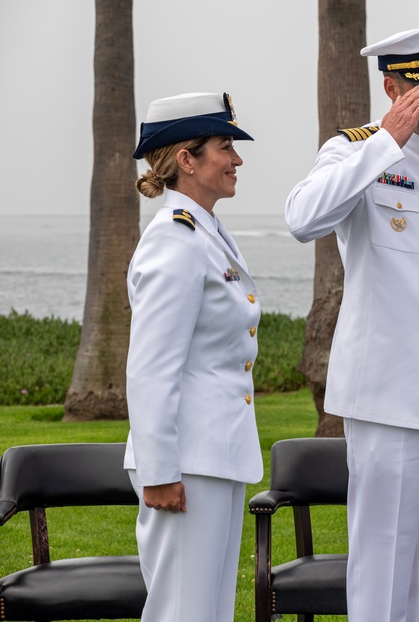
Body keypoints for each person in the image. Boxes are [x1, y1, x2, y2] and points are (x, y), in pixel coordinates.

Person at [284, 23, 419, 621]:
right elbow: (303, 219)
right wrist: (385, 141)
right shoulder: (353, 152)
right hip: (386, 397)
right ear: (392, 87)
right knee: (382, 557)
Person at [124, 92, 261, 621]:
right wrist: (159, 471)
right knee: (182, 611)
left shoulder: (204, 232)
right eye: (225, 147)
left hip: (214, 456)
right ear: (187, 159)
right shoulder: (174, 241)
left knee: (209, 612)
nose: (236, 159)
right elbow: (152, 367)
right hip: (185, 461)